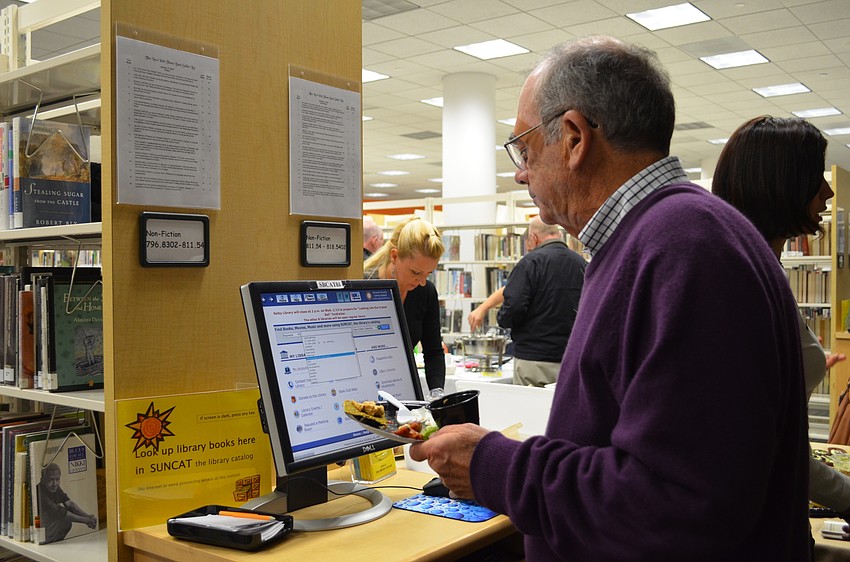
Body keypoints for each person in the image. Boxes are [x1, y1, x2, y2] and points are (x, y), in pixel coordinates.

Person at [409, 36, 810, 561]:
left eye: (525, 149)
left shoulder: (685, 248)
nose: (520, 173)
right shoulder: (660, 239)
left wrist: (493, 464)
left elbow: (675, 504)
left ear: (574, 138)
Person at [711, 115, 849, 536]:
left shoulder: (759, 267)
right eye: (815, 177)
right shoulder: (740, 277)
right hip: (750, 527)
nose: (827, 191)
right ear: (780, 184)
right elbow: (763, 447)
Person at [468, 216, 585, 386]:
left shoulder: (530, 263)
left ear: (533, 238)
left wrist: (503, 320)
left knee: (529, 409)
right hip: (572, 358)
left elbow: (513, 306)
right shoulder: (581, 263)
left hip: (534, 359)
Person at [364, 217, 446, 391]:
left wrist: (437, 393)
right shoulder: (365, 286)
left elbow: (434, 352)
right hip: (365, 387)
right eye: (416, 272)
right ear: (395, 256)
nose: (422, 281)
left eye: (428, 274)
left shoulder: (426, 291)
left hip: (404, 389)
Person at [37, 462, 97, 544]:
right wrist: (87, 521)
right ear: (43, 479)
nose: (55, 484)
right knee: (65, 521)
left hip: (48, 526)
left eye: (57, 479)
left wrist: (88, 516)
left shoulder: (54, 488)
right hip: (40, 530)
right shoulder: (40, 493)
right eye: (51, 480)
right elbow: (62, 513)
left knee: (66, 522)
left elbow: (69, 504)